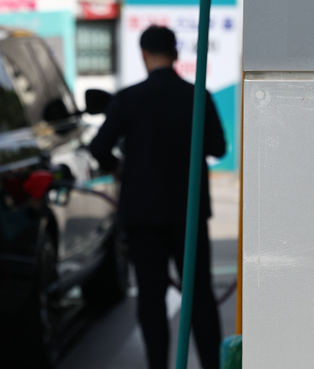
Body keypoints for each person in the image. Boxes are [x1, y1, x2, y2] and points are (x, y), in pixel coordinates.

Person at [89, 26, 225, 369]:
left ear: (144, 54)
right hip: (188, 212)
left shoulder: (128, 98)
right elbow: (218, 147)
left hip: (142, 215)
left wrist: (119, 167)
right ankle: (211, 364)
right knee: (199, 295)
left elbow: (99, 147)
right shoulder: (197, 96)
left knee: (150, 297)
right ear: (176, 54)